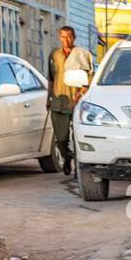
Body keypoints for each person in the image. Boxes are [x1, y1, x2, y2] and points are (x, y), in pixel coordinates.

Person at [46, 26, 93, 173]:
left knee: (77, 136)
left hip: (77, 102)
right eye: (63, 37)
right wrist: (48, 98)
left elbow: (89, 78)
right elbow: (51, 79)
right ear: (59, 37)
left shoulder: (82, 54)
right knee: (61, 138)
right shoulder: (54, 55)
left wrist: (82, 93)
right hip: (58, 102)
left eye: (69, 37)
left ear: (74, 37)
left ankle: (79, 168)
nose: (66, 40)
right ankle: (67, 157)